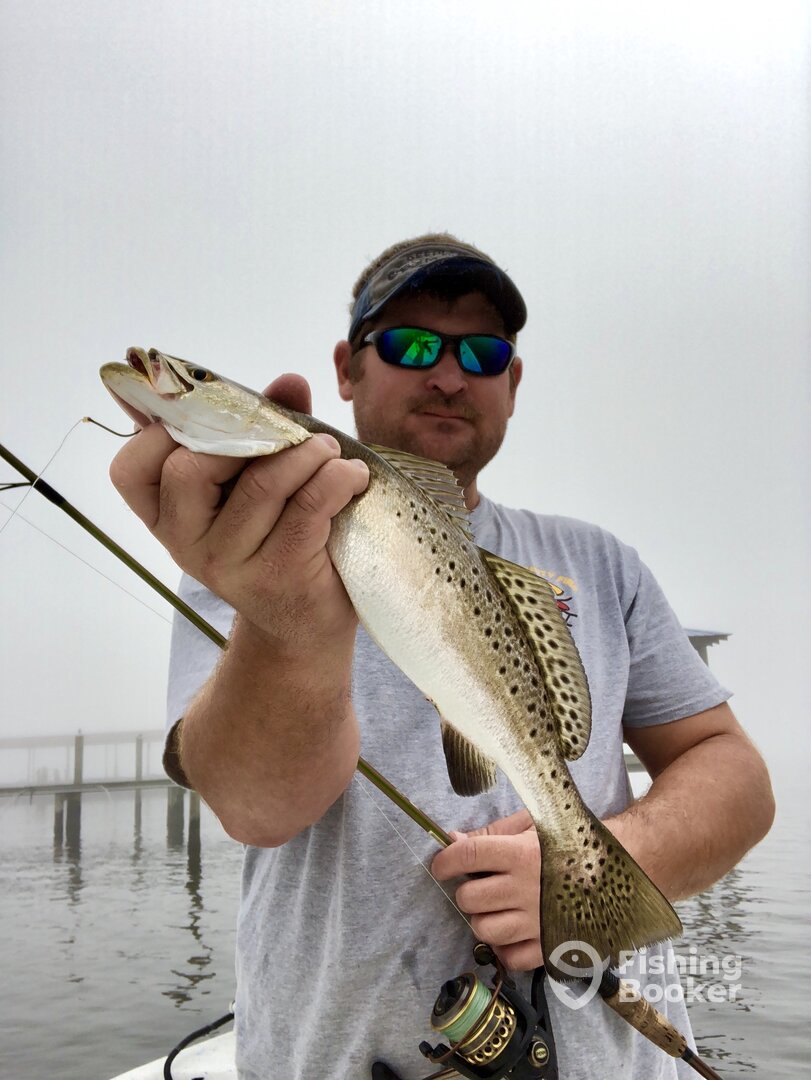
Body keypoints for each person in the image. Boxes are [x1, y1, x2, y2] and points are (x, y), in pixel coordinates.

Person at [110, 234, 774, 1080]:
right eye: (412, 345)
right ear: (346, 369)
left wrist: (601, 865)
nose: (450, 376)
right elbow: (254, 809)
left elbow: (731, 769)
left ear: (512, 381)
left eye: (482, 353)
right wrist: (283, 624)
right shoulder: (237, 556)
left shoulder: (600, 563)